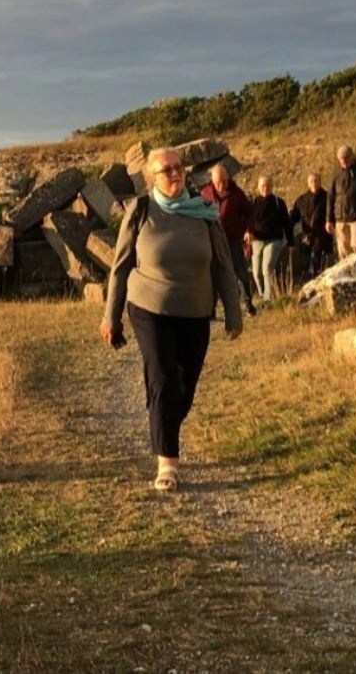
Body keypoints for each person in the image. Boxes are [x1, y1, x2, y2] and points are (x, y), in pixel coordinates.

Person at [98, 147, 250, 492]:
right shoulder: (141, 210)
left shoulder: (204, 212)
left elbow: (223, 265)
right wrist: (112, 316)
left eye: (179, 167)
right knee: (165, 376)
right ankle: (167, 462)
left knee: (185, 384)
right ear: (152, 177)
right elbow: (120, 268)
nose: (175, 173)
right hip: (149, 306)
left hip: (195, 309)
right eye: (166, 170)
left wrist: (234, 313)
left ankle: (161, 415)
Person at [199, 163, 258, 300]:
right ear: (213, 181)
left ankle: (248, 302)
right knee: (212, 274)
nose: (222, 184)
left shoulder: (236, 193)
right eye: (219, 182)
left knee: (240, 273)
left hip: (233, 240)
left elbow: (249, 212)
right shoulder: (205, 194)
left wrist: (248, 230)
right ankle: (212, 308)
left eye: (224, 181)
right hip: (213, 241)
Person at [246, 175, 292, 304]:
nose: (265, 188)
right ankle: (261, 294)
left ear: (272, 187)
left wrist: (291, 242)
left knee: (267, 268)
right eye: (262, 186)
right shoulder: (253, 203)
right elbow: (247, 221)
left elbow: (286, 223)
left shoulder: (279, 203)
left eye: (268, 186)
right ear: (258, 187)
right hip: (257, 240)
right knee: (256, 272)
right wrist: (248, 232)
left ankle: (268, 298)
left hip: (274, 240)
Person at [290, 173, 333, 289]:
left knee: (317, 257)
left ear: (320, 181)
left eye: (316, 181)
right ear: (308, 183)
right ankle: (313, 283)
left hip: (323, 235)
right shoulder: (301, 199)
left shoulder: (328, 197)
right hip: (307, 236)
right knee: (309, 258)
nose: (314, 183)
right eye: (311, 181)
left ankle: (317, 282)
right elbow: (294, 217)